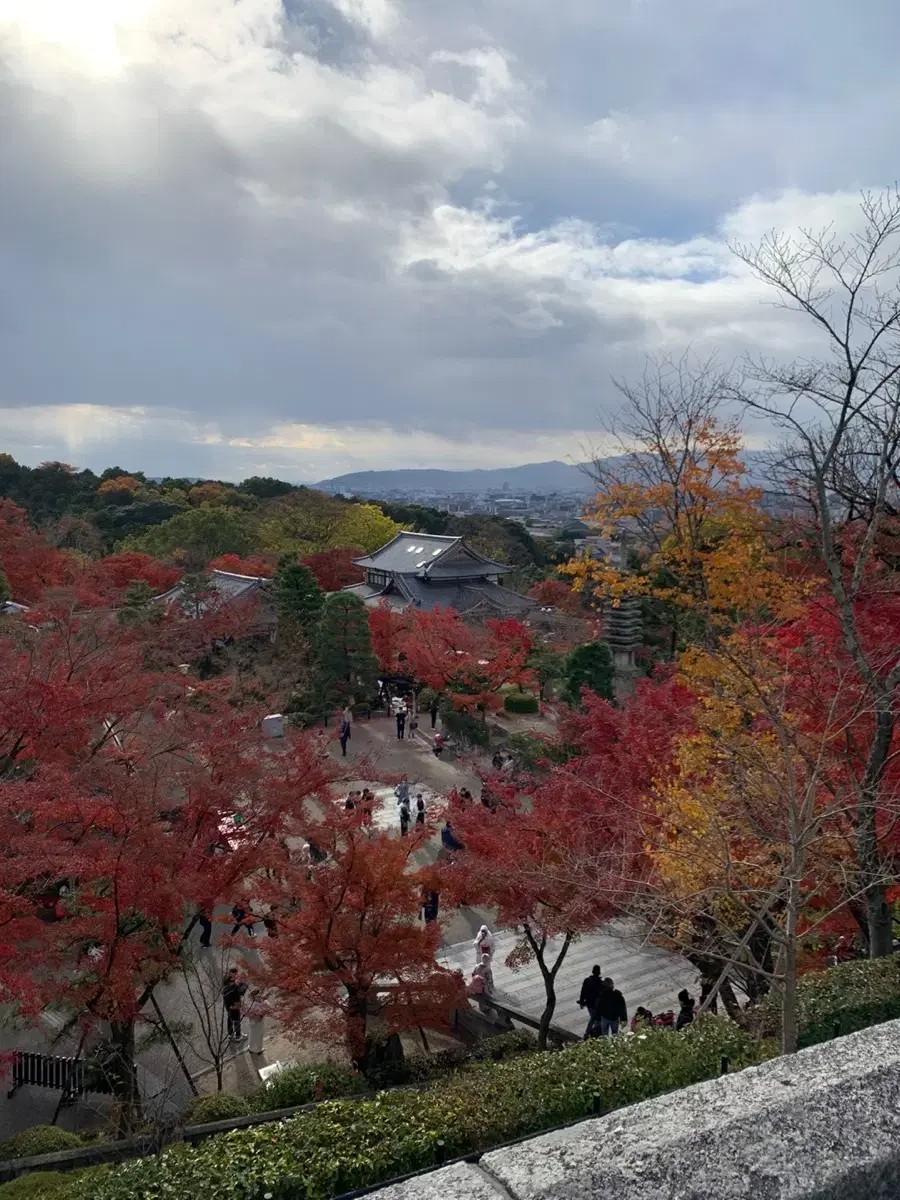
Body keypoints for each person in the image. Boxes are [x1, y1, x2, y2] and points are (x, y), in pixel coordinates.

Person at [578, 965, 604, 1037]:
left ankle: (592, 1033)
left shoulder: (587, 980)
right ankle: (588, 1033)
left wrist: (581, 1001)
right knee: (594, 1019)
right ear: (599, 972)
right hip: (596, 1004)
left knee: (593, 1018)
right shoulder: (600, 983)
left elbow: (582, 991)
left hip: (589, 1003)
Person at [222, 968, 247, 1042]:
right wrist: (244, 985)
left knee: (230, 1019)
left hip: (228, 1004)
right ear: (231, 973)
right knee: (236, 1019)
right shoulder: (232, 984)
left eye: (237, 974)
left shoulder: (226, 981)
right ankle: (238, 1035)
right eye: (235, 974)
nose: (236, 975)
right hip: (234, 1004)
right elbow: (240, 992)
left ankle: (231, 1034)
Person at [246, 988, 269, 1054]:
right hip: (259, 1021)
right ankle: (258, 1049)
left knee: (252, 1034)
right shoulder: (263, 1003)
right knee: (259, 1035)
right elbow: (267, 1008)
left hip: (252, 1021)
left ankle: (251, 1048)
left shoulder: (251, 1003)